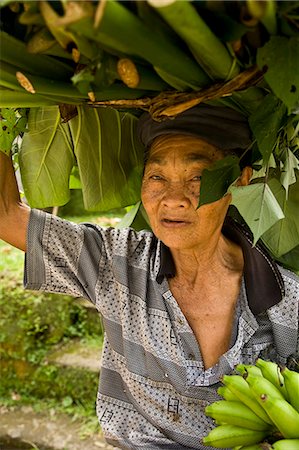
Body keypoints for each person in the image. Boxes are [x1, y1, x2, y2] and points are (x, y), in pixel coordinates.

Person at [0, 104, 298, 450]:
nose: (173, 199)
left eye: (197, 178)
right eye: (157, 177)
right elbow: (6, 213)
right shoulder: (115, 264)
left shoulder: (288, 303)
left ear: (241, 180)